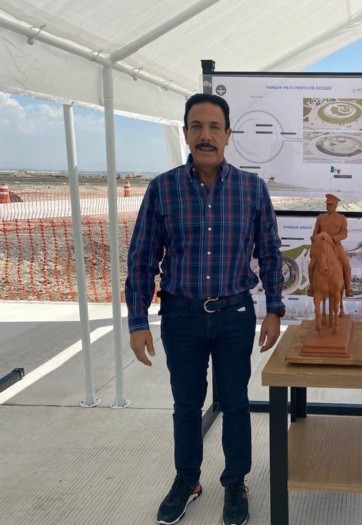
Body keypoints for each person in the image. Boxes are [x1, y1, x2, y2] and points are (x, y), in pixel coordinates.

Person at [125, 93, 285, 525]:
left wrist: (274, 309)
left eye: (215, 127)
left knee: (235, 403)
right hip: (182, 317)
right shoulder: (162, 189)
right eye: (196, 126)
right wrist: (137, 321)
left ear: (228, 135)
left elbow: (270, 253)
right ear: (185, 133)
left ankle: (235, 483)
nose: (205, 135)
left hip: (235, 316)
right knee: (186, 405)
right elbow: (142, 259)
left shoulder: (252, 189)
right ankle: (187, 480)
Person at [306, 193, 354, 297]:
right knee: (311, 266)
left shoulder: (342, 218)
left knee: (346, 265)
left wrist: (333, 239)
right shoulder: (320, 218)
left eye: (331, 205)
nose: (328, 206)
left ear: (336, 206)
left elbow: (344, 233)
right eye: (327, 204)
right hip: (321, 247)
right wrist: (313, 249)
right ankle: (312, 288)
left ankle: (348, 288)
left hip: (336, 246)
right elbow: (315, 234)